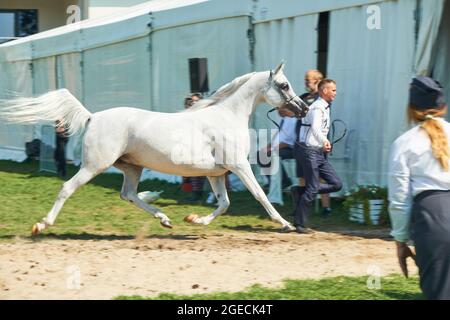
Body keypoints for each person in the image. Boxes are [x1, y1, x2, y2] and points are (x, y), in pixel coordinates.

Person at [389, 76, 450, 300]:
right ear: (443, 106)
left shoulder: (404, 143)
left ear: (411, 107)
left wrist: (400, 240)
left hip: (433, 219)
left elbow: (399, 198)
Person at [290, 79, 343, 234]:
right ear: (324, 91)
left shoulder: (325, 107)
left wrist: (323, 144)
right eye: (333, 90)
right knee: (313, 188)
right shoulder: (317, 108)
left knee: (336, 184)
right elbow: (315, 128)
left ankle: (300, 191)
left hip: (317, 151)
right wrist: (325, 141)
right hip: (308, 150)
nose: (335, 92)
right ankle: (299, 224)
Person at [292, 70, 332, 217]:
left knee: (321, 176)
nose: (306, 82)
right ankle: (301, 207)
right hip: (302, 143)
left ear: (317, 81)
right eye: (305, 80)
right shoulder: (303, 97)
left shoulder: (322, 99)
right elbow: (291, 111)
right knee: (302, 176)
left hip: (317, 144)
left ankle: (326, 207)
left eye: (308, 80)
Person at [260, 108, 297, 190]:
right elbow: (277, 137)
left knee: (269, 155)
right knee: (259, 155)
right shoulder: (283, 120)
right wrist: (267, 147)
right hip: (279, 147)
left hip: (289, 149)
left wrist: (272, 149)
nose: (278, 111)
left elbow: (288, 142)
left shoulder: (293, 121)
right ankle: (272, 182)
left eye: (280, 109)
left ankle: (285, 182)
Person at [182, 93, 207, 202]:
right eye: (190, 102)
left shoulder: (203, 114)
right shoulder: (186, 115)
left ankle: (197, 193)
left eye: (195, 102)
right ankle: (192, 190)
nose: (192, 104)